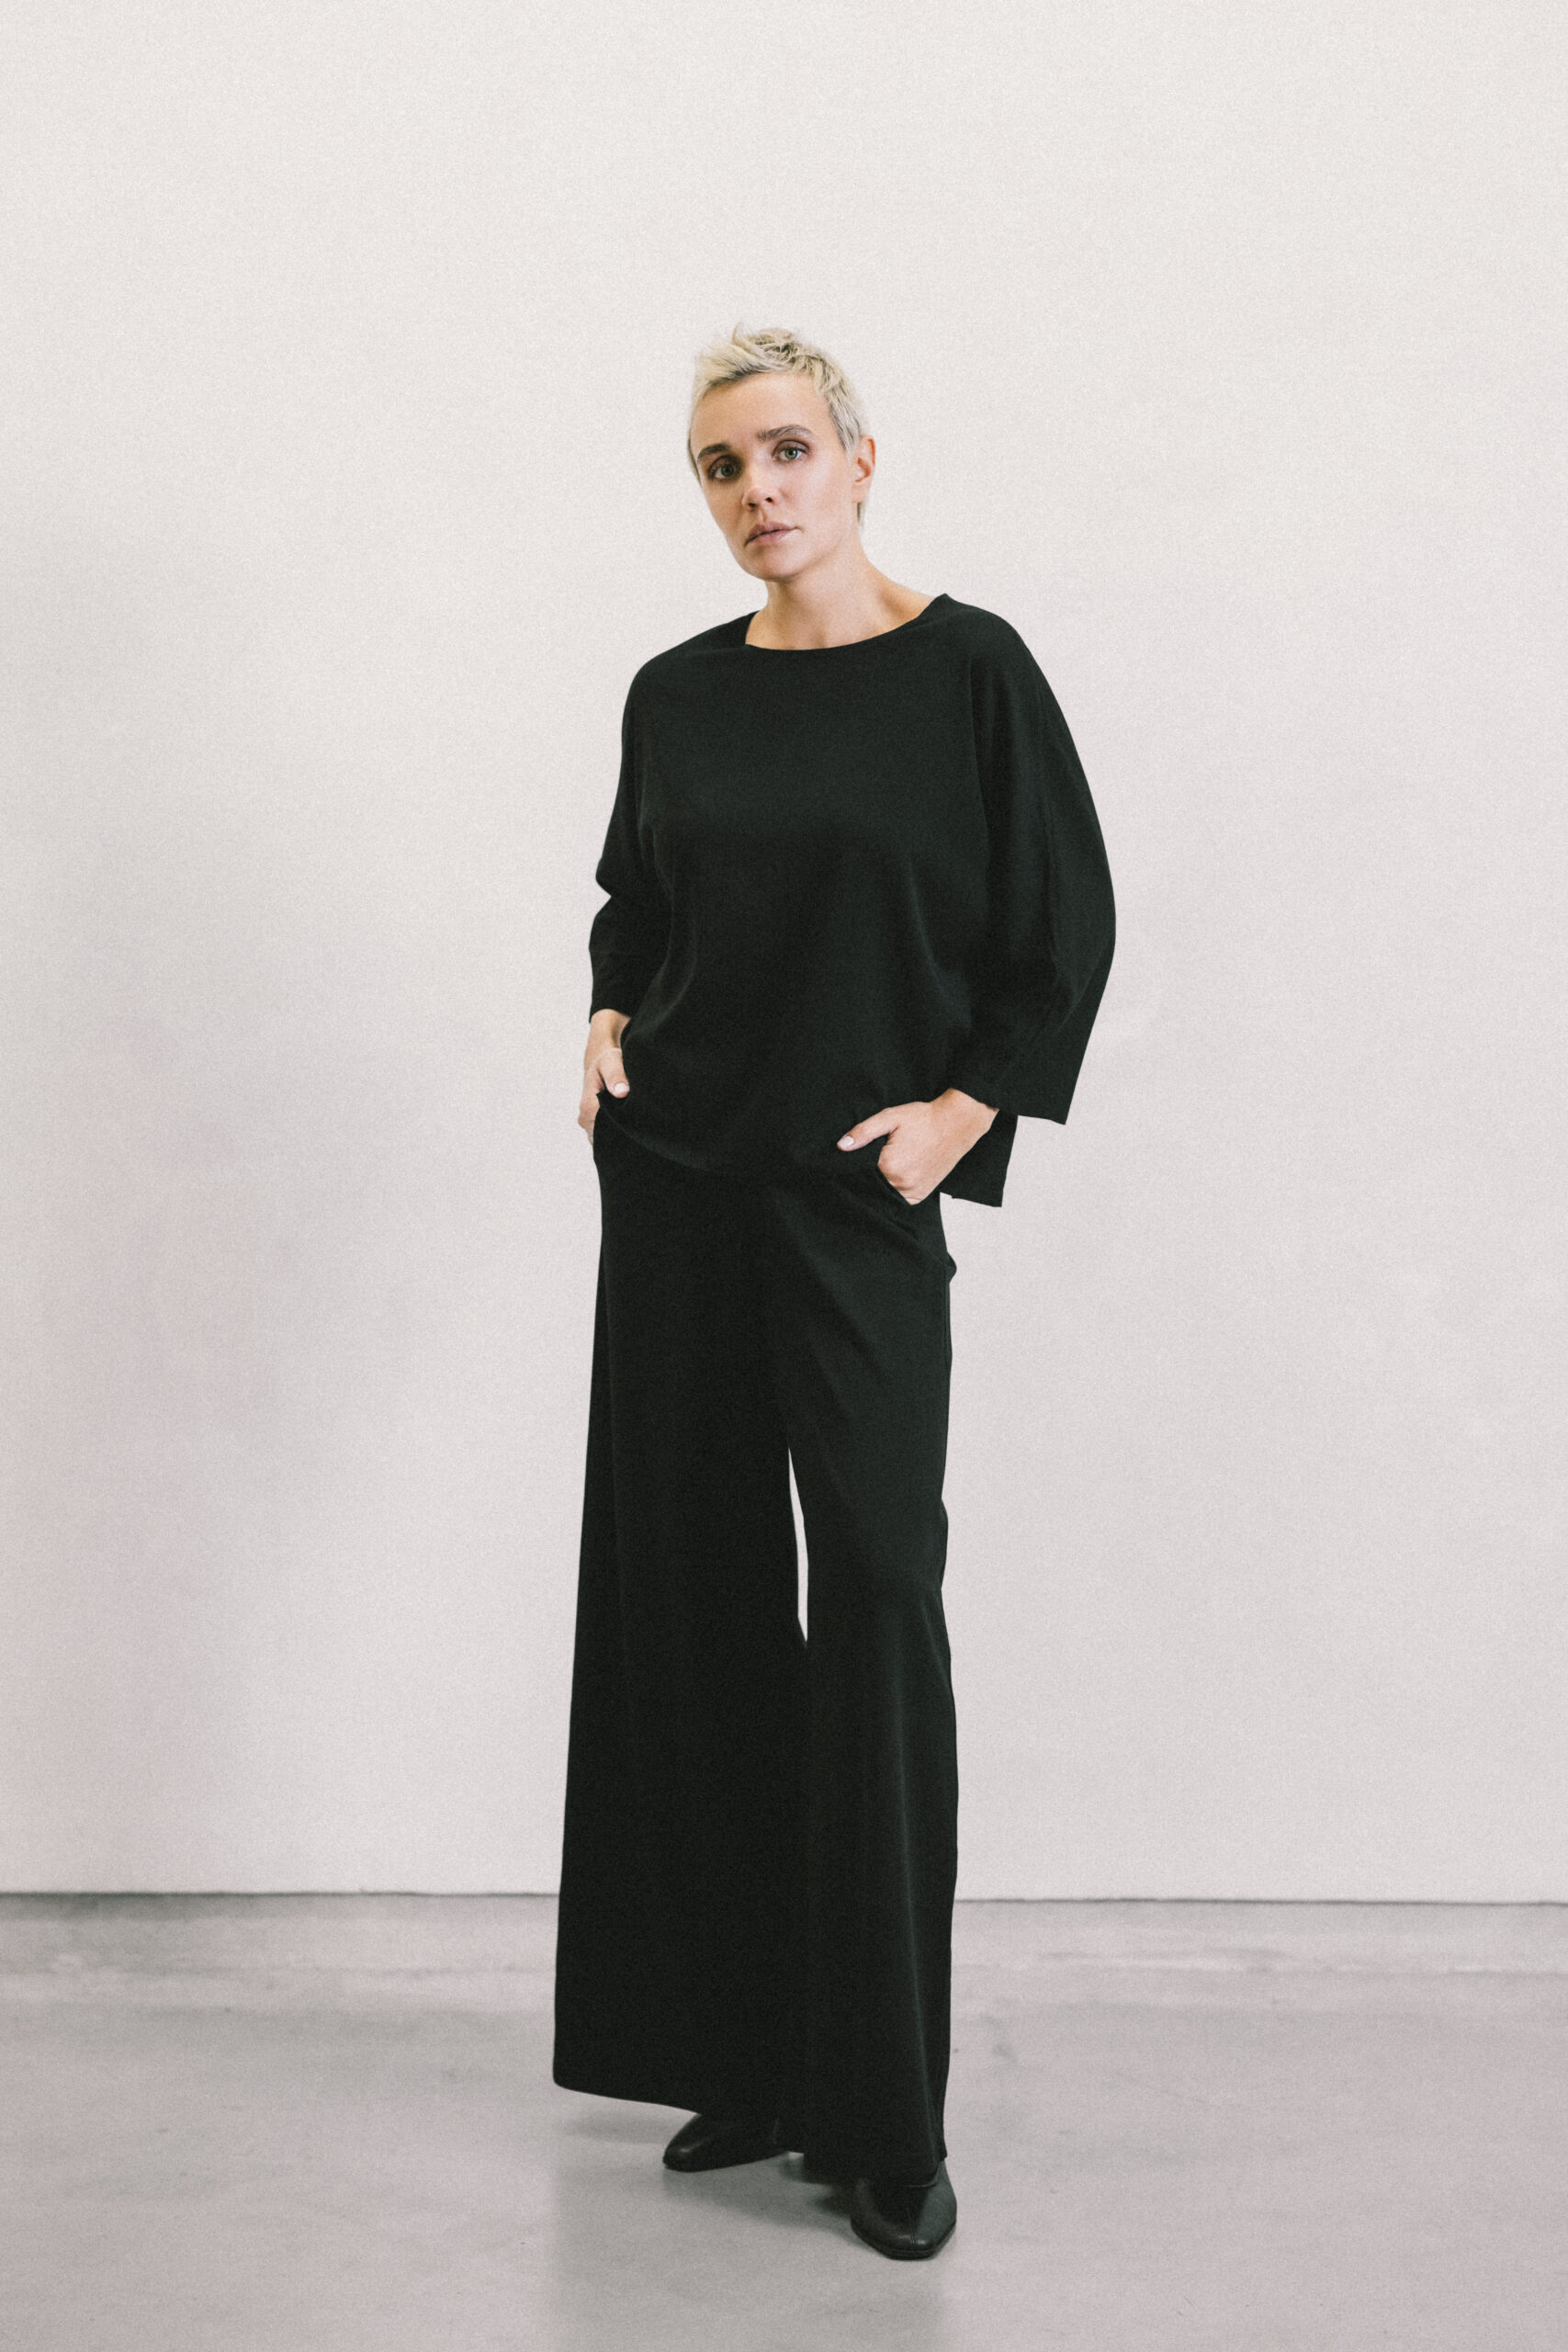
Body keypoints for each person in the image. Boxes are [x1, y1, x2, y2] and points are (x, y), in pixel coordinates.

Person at [552, 323, 1115, 2260]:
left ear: (860, 459)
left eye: (786, 449)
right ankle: (753, 2054)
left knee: (873, 1590)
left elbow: (1065, 923)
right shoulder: (677, 694)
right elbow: (636, 907)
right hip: (678, 1190)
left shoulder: (971, 673)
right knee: (695, 1601)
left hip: (853, 1196)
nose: (758, 490)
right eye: (722, 465)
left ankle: (882, 2108)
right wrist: (606, 1018)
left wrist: (963, 1109)